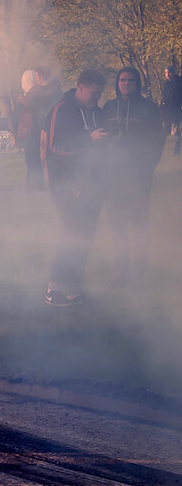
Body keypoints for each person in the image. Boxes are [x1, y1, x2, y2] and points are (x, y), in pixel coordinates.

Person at [43, 68, 109, 306]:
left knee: (85, 234)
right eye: (93, 93)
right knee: (71, 234)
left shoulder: (97, 112)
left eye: (100, 94)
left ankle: (74, 288)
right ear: (80, 87)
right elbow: (54, 147)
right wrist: (88, 139)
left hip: (91, 182)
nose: (96, 98)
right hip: (65, 182)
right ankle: (53, 288)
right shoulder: (62, 110)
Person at [100, 67, 166, 281]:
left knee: (138, 221)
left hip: (139, 175)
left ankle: (140, 266)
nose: (126, 83)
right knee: (116, 222)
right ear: (117, 83)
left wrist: (149, 165)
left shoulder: (148, 108)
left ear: (137, 83)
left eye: (130, 80)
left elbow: (158, 139)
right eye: (122, 80)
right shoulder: (108, 108)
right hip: (113, 176)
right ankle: (121, 266)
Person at [19, 66, 62, 190]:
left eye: (36, 75)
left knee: (42, 159)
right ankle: (37, 185)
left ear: (41, 76)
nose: (35, 78)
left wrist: (21, 99)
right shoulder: (45, 90)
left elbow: (33, 103)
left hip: (45, 128)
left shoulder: (48, 90)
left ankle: (41, 185)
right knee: (37, 159)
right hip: (40, 128)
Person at [162, 65, 182, 156]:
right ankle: (162, 150)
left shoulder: (179, 82)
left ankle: (176, 152)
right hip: (167, 112)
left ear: (173, 73)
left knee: (177, 132)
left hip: (177, 111)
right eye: (166, 73)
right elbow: (164, 98)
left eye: (169, 72)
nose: (168, 75)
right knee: (165, 132)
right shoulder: (166, 84)